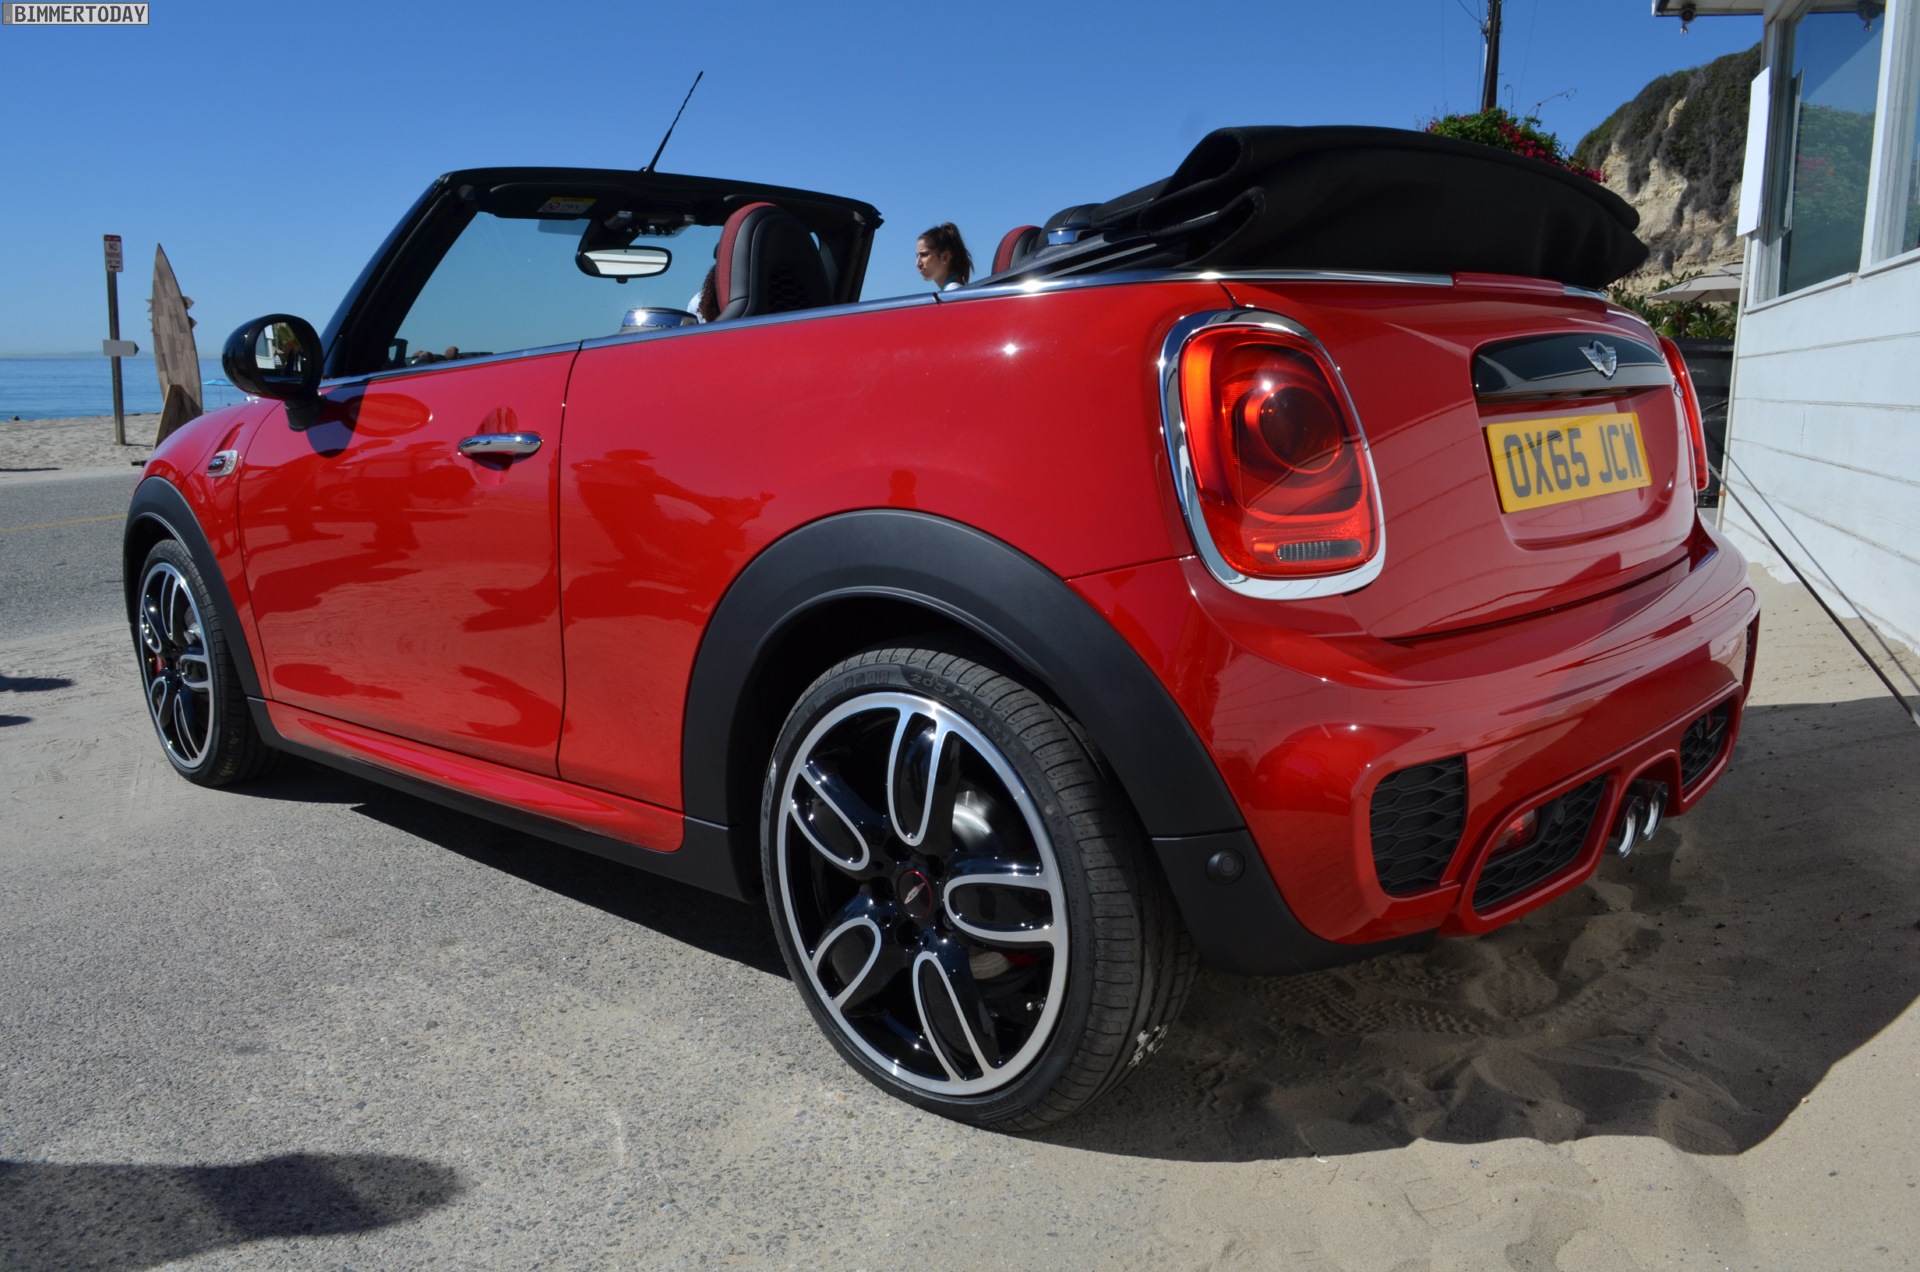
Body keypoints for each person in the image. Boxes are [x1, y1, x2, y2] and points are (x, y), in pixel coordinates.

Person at [916, 223, 972, 291]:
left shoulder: (952, 292)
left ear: (945, 257)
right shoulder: (956, 291)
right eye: (917, 256)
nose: (917, 264)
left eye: (924, 255)